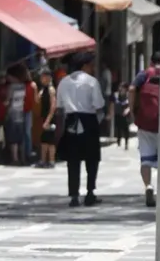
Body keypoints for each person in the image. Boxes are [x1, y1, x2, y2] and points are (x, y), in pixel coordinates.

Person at [56, 52, 105, 207]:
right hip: (88, 120)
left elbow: (59, 107)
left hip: (71, 120)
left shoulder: (63, 82)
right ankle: (90, 192)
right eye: (91, 65)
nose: (93, 68)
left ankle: (74, 195)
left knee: (73, 159)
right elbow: (98, 104)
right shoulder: (91, 82)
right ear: (84, 65)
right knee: (92, 158)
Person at [129, 54, 160, 208]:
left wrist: (133, 110)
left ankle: (148, 186)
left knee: (146, 158)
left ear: (151, 61)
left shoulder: (143, 75)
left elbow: (131, 89)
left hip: (145, 122)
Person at [4, 64, 32, 165]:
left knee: (13, 139)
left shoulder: (11, 87)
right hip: (21, 114)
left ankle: (15, 159)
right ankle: (23, 158)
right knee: (21, 137)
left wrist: (5, 103)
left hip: (12, 114)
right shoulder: (24, 86)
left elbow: (7, 101)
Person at [38, 70, 59, 168]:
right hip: (43, 117)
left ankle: (51, 160)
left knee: (50, 141)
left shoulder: (51, 89)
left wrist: (48, 120)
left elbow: (53, 106)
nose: (41, 79)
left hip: (50, 118)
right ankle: (43, 160)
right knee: (44, 141)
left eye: (43, 77)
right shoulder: (43, 89)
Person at [113, 83, 131, 148]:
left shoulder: (128, 95)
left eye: (122, 87)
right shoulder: (116, 95)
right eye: (120, 87)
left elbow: (130, 104)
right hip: (118, 113)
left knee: (126, 129)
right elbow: (114, 102)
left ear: (125, 89)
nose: (120, 88)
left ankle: (126, 143)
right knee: (118, 128)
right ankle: (118, 142)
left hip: (125, 115)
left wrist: (128, 110)